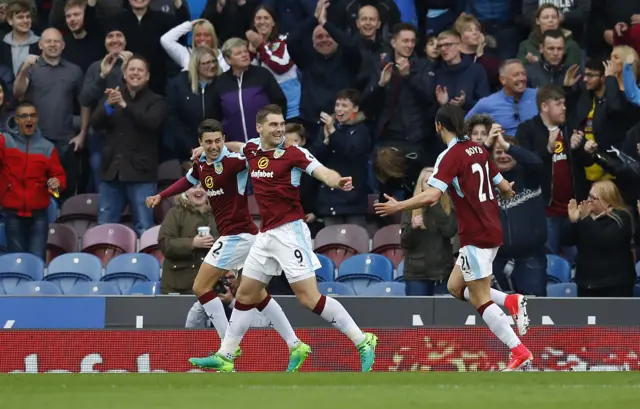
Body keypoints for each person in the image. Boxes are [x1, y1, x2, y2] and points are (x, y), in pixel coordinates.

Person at [191, 104, 377, 373]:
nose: (279, 129)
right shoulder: (252, 149)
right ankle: (226, 355)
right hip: (266, 234)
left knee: (310, 299)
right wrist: (208, 150)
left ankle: (363, 341)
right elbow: (237, 145)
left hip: (291, 233)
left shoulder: (293, 153)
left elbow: (321, 171)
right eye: (274, 125)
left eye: (281, 125)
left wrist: (337, 181)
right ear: (260, 128)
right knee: (245, 292)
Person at [374, 104, 532, 371]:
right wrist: (505, 193)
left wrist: (398, 206)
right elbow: (504, 186)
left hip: (476, 234)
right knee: (455, 287)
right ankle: (509, 301)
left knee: (479, 299)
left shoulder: (449, 156)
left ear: (439, 126)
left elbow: (432, 195)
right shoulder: (479, 149)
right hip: (491, 229)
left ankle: (519, 350)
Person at [146, 119, 305, 371]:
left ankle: (225, 349)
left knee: (200, 286)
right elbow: (186, 181)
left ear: (223, 140)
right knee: (256, 295)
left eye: (217, 140)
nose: (213, 146)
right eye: (208, 141)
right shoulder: (200, 166)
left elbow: (256, 151)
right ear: (199, 143)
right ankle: (295, 343)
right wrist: (161, 196)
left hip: (238, 236)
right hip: (238, 237)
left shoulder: (234, 162)